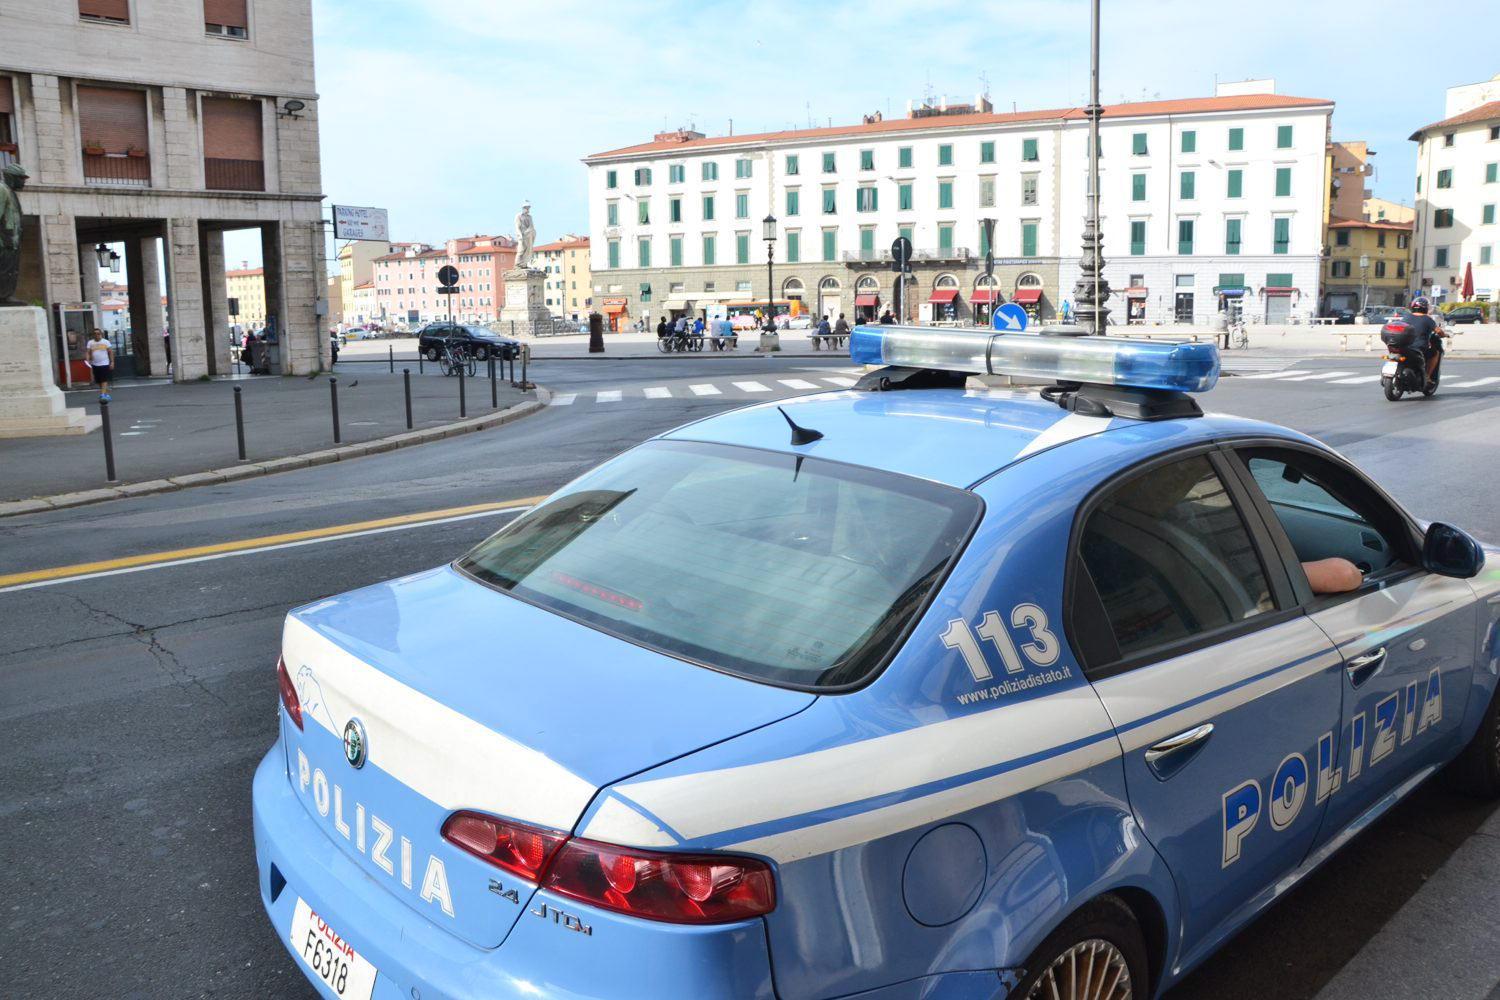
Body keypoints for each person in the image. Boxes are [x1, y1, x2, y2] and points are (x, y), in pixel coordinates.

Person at [1406, 296, 1448, 385]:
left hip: (1405, 346)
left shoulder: (1406, 317)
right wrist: (1444, 335)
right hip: (1419, 348)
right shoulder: (1427, 319)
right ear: (1425, 308)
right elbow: (1439, 331)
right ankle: (1427, 376)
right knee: (1435, 353)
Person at [85, 328, 114, 401]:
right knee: (99, 381)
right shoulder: (90, 342)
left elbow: (110, 352)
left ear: (101, 334)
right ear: (93, 335)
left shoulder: (106, 342)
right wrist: (87, 360)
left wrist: (112, 362)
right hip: (95, 364)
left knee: (104, 379)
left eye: (98, 333)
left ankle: (102, 395)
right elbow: (88, 352)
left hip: (104, 363)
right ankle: (105, 394)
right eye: (95, 334)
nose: (97, 335)